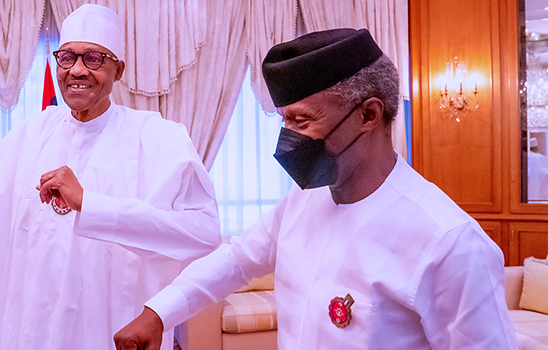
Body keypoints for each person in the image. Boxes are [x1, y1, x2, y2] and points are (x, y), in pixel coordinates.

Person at [114, 28, 519, 349]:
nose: (288, 138)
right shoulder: (301, 201)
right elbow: (237, 261)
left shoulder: (449, 243)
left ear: (368, 114)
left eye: (302, 121)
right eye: (284, 121)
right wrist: (159, 312)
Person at [0, 4, 221, 350]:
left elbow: (204, 232)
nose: (77, 70)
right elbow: (3, 251)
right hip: (35, 335)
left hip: (114, 331)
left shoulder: (159, 138)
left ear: (118, 69)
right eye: (67, 57)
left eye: (93, 58)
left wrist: (92, 206)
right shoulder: (30, 136)